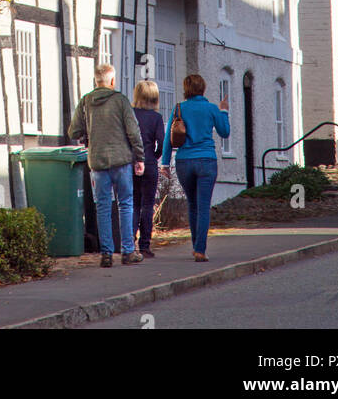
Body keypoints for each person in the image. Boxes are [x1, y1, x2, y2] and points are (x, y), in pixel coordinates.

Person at [68, 63, 145, 267]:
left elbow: (73, 131)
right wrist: (140, 157)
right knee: (125, 204)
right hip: (122, 161)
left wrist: (89, 130)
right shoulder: (120, 100)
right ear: (112, 81)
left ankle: (106, 254)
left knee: (102, 207)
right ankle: (128, 251)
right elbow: (133, 131)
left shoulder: (86, 102)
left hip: (97, 162)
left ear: (96, 81)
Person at [161, 73, 230, 263]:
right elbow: (225, 132)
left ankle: (195, 246)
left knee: (192, 205)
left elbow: (169, 137)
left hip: (184, 161)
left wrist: (165, 164)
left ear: (186, 89)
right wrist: (224, 111)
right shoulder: (211, 109)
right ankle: (200, 249)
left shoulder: (179, 109)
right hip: (207, 160)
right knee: (203, 207)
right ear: (203, 88)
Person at [131, 80, 164, 258]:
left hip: (131, 162)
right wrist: (155, 156)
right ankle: (145, 245)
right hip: (149, 163)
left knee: (133, 203)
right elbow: (162, 141)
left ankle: (130, 242)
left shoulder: (130, 114)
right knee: (147, 204)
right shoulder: (156, 118)